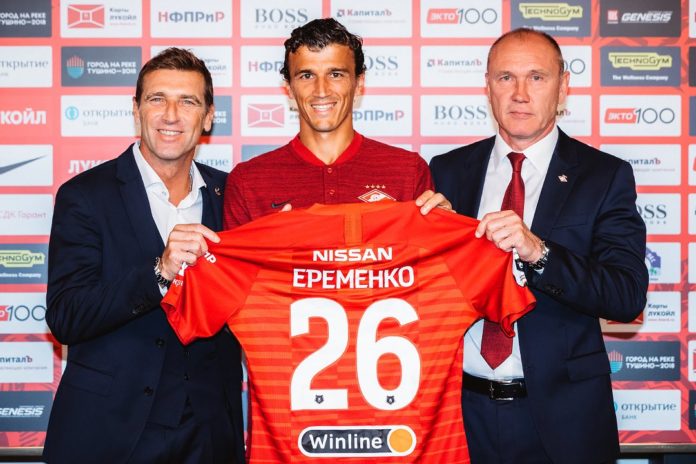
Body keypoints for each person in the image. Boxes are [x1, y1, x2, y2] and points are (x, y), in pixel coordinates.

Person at [430, 28, 648, 464]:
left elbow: (625, 296)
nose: (520, 93)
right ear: (487, 87)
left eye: (537, 77)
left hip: (564, 421)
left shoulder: (604, 176)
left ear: (563, 87)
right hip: (461, 414)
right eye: (506, 77)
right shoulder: (447, 171)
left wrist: (539, 252)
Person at [43, 48, 245, 464]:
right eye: (157, 99)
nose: (171, 115)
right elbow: (66, 317)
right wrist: (159, 272)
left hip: (209, 432)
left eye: (187, 101)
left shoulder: (234, 196)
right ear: (136, 111)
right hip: (109, 431)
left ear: (208, 116)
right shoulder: (85, 196)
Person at [223, 17, 444, 229]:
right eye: (306, 76)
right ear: (289, 88)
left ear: (359, 83)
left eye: (336, 74)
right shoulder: (247, 181)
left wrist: (444, 227)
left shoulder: (408, 171)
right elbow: (233, 257)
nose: (321, 90)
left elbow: (429, 254)